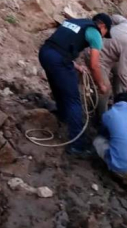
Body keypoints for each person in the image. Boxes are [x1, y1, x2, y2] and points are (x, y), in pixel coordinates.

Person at [38, 13, 113, 156]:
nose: (103, 36)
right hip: (59, 60)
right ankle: (77, 146)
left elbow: (60, 45)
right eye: (105, 33)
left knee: (59, 88)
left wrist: (75, 66)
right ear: (102, 26)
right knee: (74, 101)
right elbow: (94, 65)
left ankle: (63, 115)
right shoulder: (95, 33)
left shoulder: (75, 22)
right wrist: (101, 85)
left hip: (45, 53)